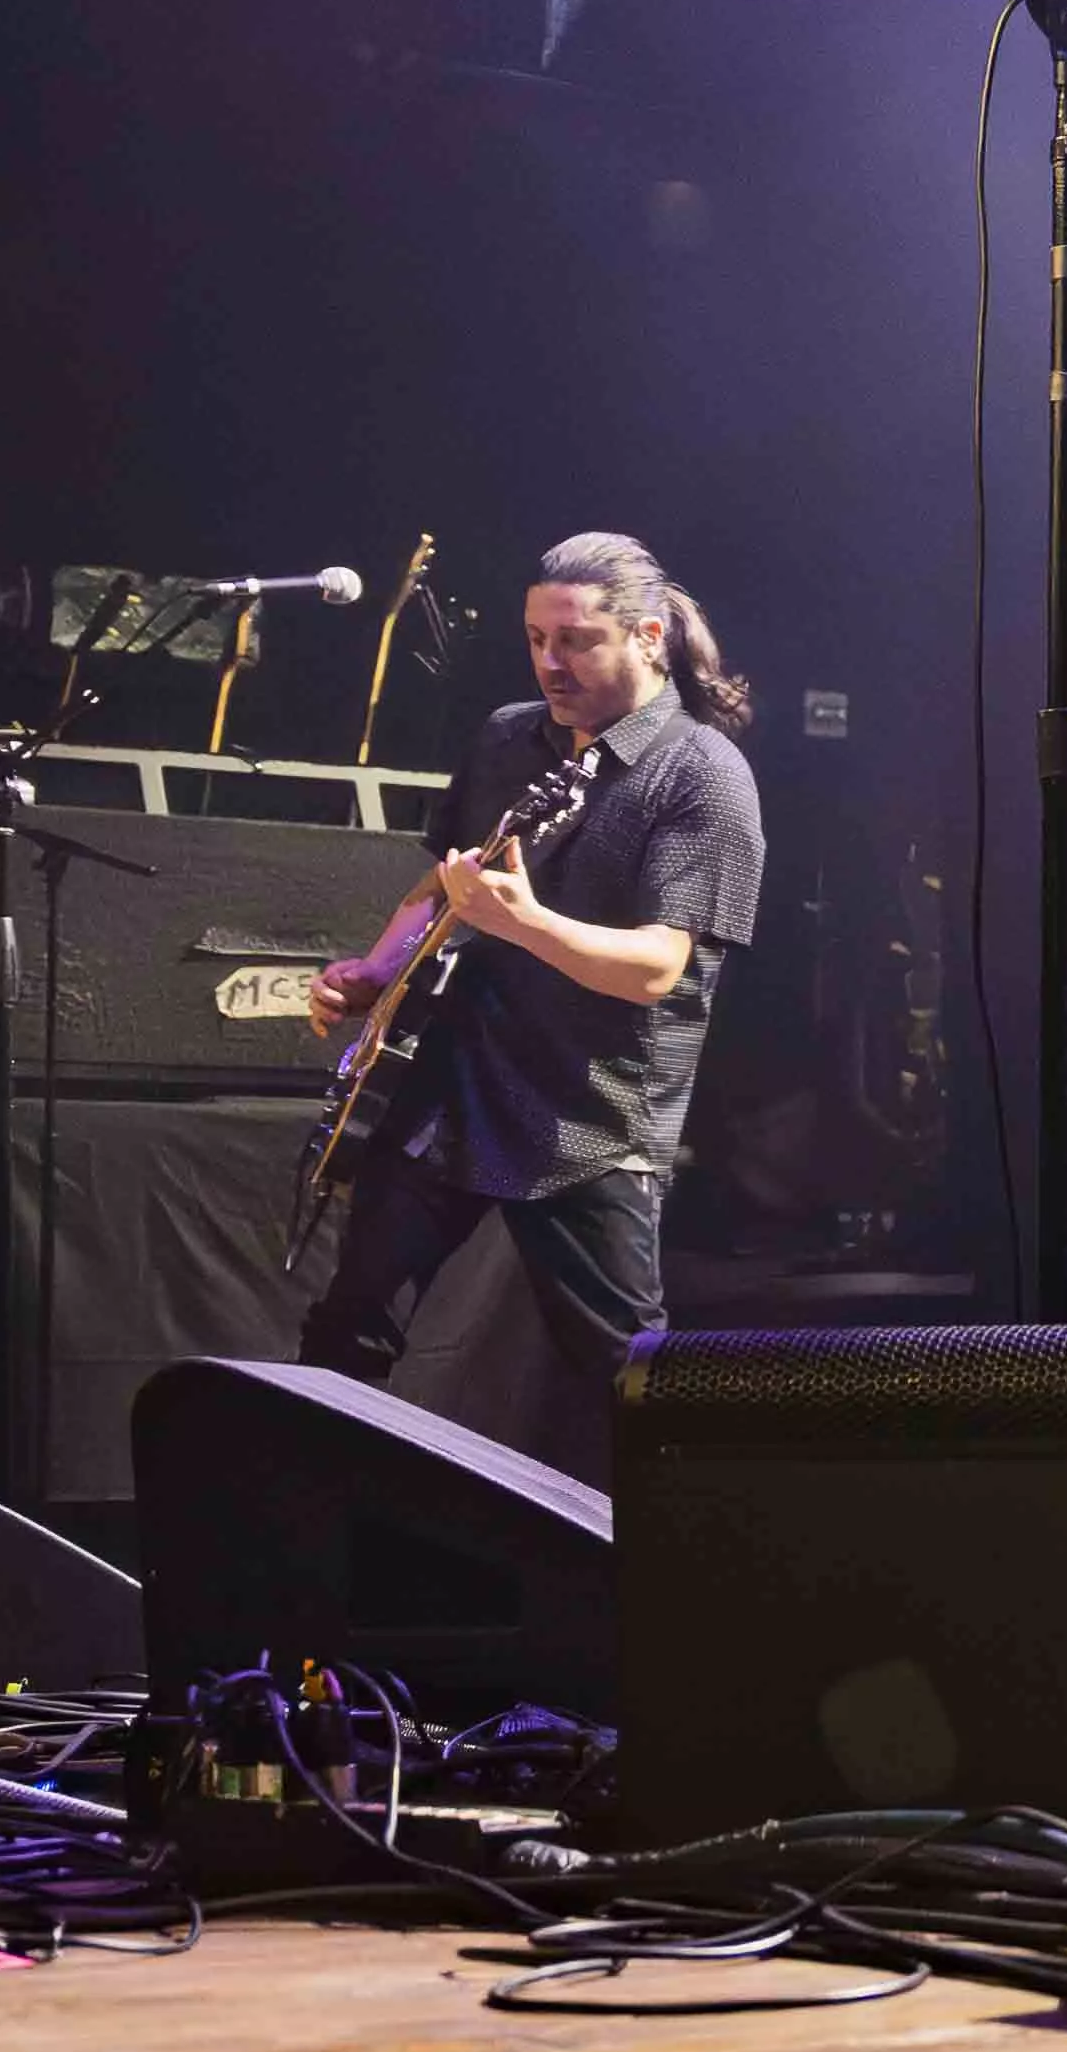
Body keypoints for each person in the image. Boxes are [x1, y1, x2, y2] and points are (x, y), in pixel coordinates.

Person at [302, 534, 767, 1459]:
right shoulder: (509, 735)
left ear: (646, 637)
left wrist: (523, 924)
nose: (551, 662)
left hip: (590, 1114)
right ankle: (312, 1562)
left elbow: (655, 966)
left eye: (577, 640)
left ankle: (685, 1565)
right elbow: (442, 882)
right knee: (344, 1330)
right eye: (535, 638)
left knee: (628, 1382)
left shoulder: (701, 772)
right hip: (459, 1082)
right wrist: (377, 969)